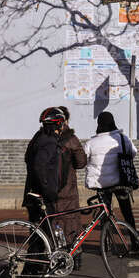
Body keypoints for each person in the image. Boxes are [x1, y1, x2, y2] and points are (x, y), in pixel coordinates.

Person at [84, 111, 138, 229]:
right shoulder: (123, 139)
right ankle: (135, 242)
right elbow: (133, 152)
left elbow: (83, 159)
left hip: (101, 183)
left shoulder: (91, 143)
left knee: (105, 213)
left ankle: (106, 243)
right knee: (127, 212)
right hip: (121, 181)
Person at [54, 106, 87, 269]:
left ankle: (56, 255)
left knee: (53, 219)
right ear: (66, 120)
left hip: (48, 188)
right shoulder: (70, 138)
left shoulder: (43, 135)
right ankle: (76, 254)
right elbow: (81, 162)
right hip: (67, 187)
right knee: (72, 221)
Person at [23, 107, 64, 227]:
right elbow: (39, 165)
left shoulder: (39, 137)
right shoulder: (50, 141)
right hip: (43, 194)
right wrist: (47, 189)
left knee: (38, 231)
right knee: (46, 229)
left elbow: (27, 158)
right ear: (58, 124)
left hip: (33, 189)